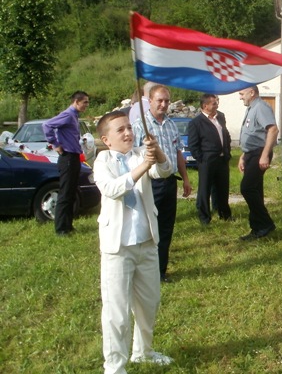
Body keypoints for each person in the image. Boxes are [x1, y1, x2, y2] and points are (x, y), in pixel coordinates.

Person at [93, 111, 173, 373]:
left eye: (129, 127)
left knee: (149, 303)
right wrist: (143, 167)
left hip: (146, 242)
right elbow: (113, 189)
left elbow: (165, 171)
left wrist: (157, 153)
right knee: (117, 312)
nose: (128, 133)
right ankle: (115, 366)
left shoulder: (141, 153)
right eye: (120, 130)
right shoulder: (102, 160)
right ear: (107, 139)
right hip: (118, 248)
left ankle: (144, 351)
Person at [132, 85, 192, 283]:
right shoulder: (141, 125)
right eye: (160, 100)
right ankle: (144, 272)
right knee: (149, 228)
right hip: (150, 182)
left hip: (169, 183)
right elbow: (132, 156)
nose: (164, 104)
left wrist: (185, 178)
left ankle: (160, 272)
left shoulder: (171, 124)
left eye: (166, 101)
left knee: (166, 227)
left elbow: (177, 153)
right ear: (149, 101)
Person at [43, 90, 90, 236]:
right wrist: (55, 144)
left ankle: (68, 226)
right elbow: (47, 125)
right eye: (84, 102)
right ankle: (61, 229)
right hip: (67, 157)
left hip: (74, 156)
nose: (86, 105)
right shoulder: (68, 115)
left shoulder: (74, 116)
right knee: (65, 193)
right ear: (76, 102)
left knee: (70, 192)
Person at [238, 85, 278, 240]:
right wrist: (243, 155)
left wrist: (265, 155)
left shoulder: (261, 107)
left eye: (242, 94)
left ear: (252, 92)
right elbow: (251, 134)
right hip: (251, 153)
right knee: (255, 190)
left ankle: (266, 223)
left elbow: (273, 130)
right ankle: (257, 229)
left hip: (259, 153)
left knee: (246, 188)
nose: (240, 97)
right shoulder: (251, 108)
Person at [188, 94, 233, 225]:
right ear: (205, 106)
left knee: (223, 188)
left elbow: (226, 134)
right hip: (207, 161)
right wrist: (201, 158)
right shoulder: (196, 122)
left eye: (217, 102)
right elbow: (193, 144)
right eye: (214, 103)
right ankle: (204, 217)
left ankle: (224, 214)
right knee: (204, 189)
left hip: (222, 159)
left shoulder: (221, 117)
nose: (217, 104)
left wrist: (227, 152)